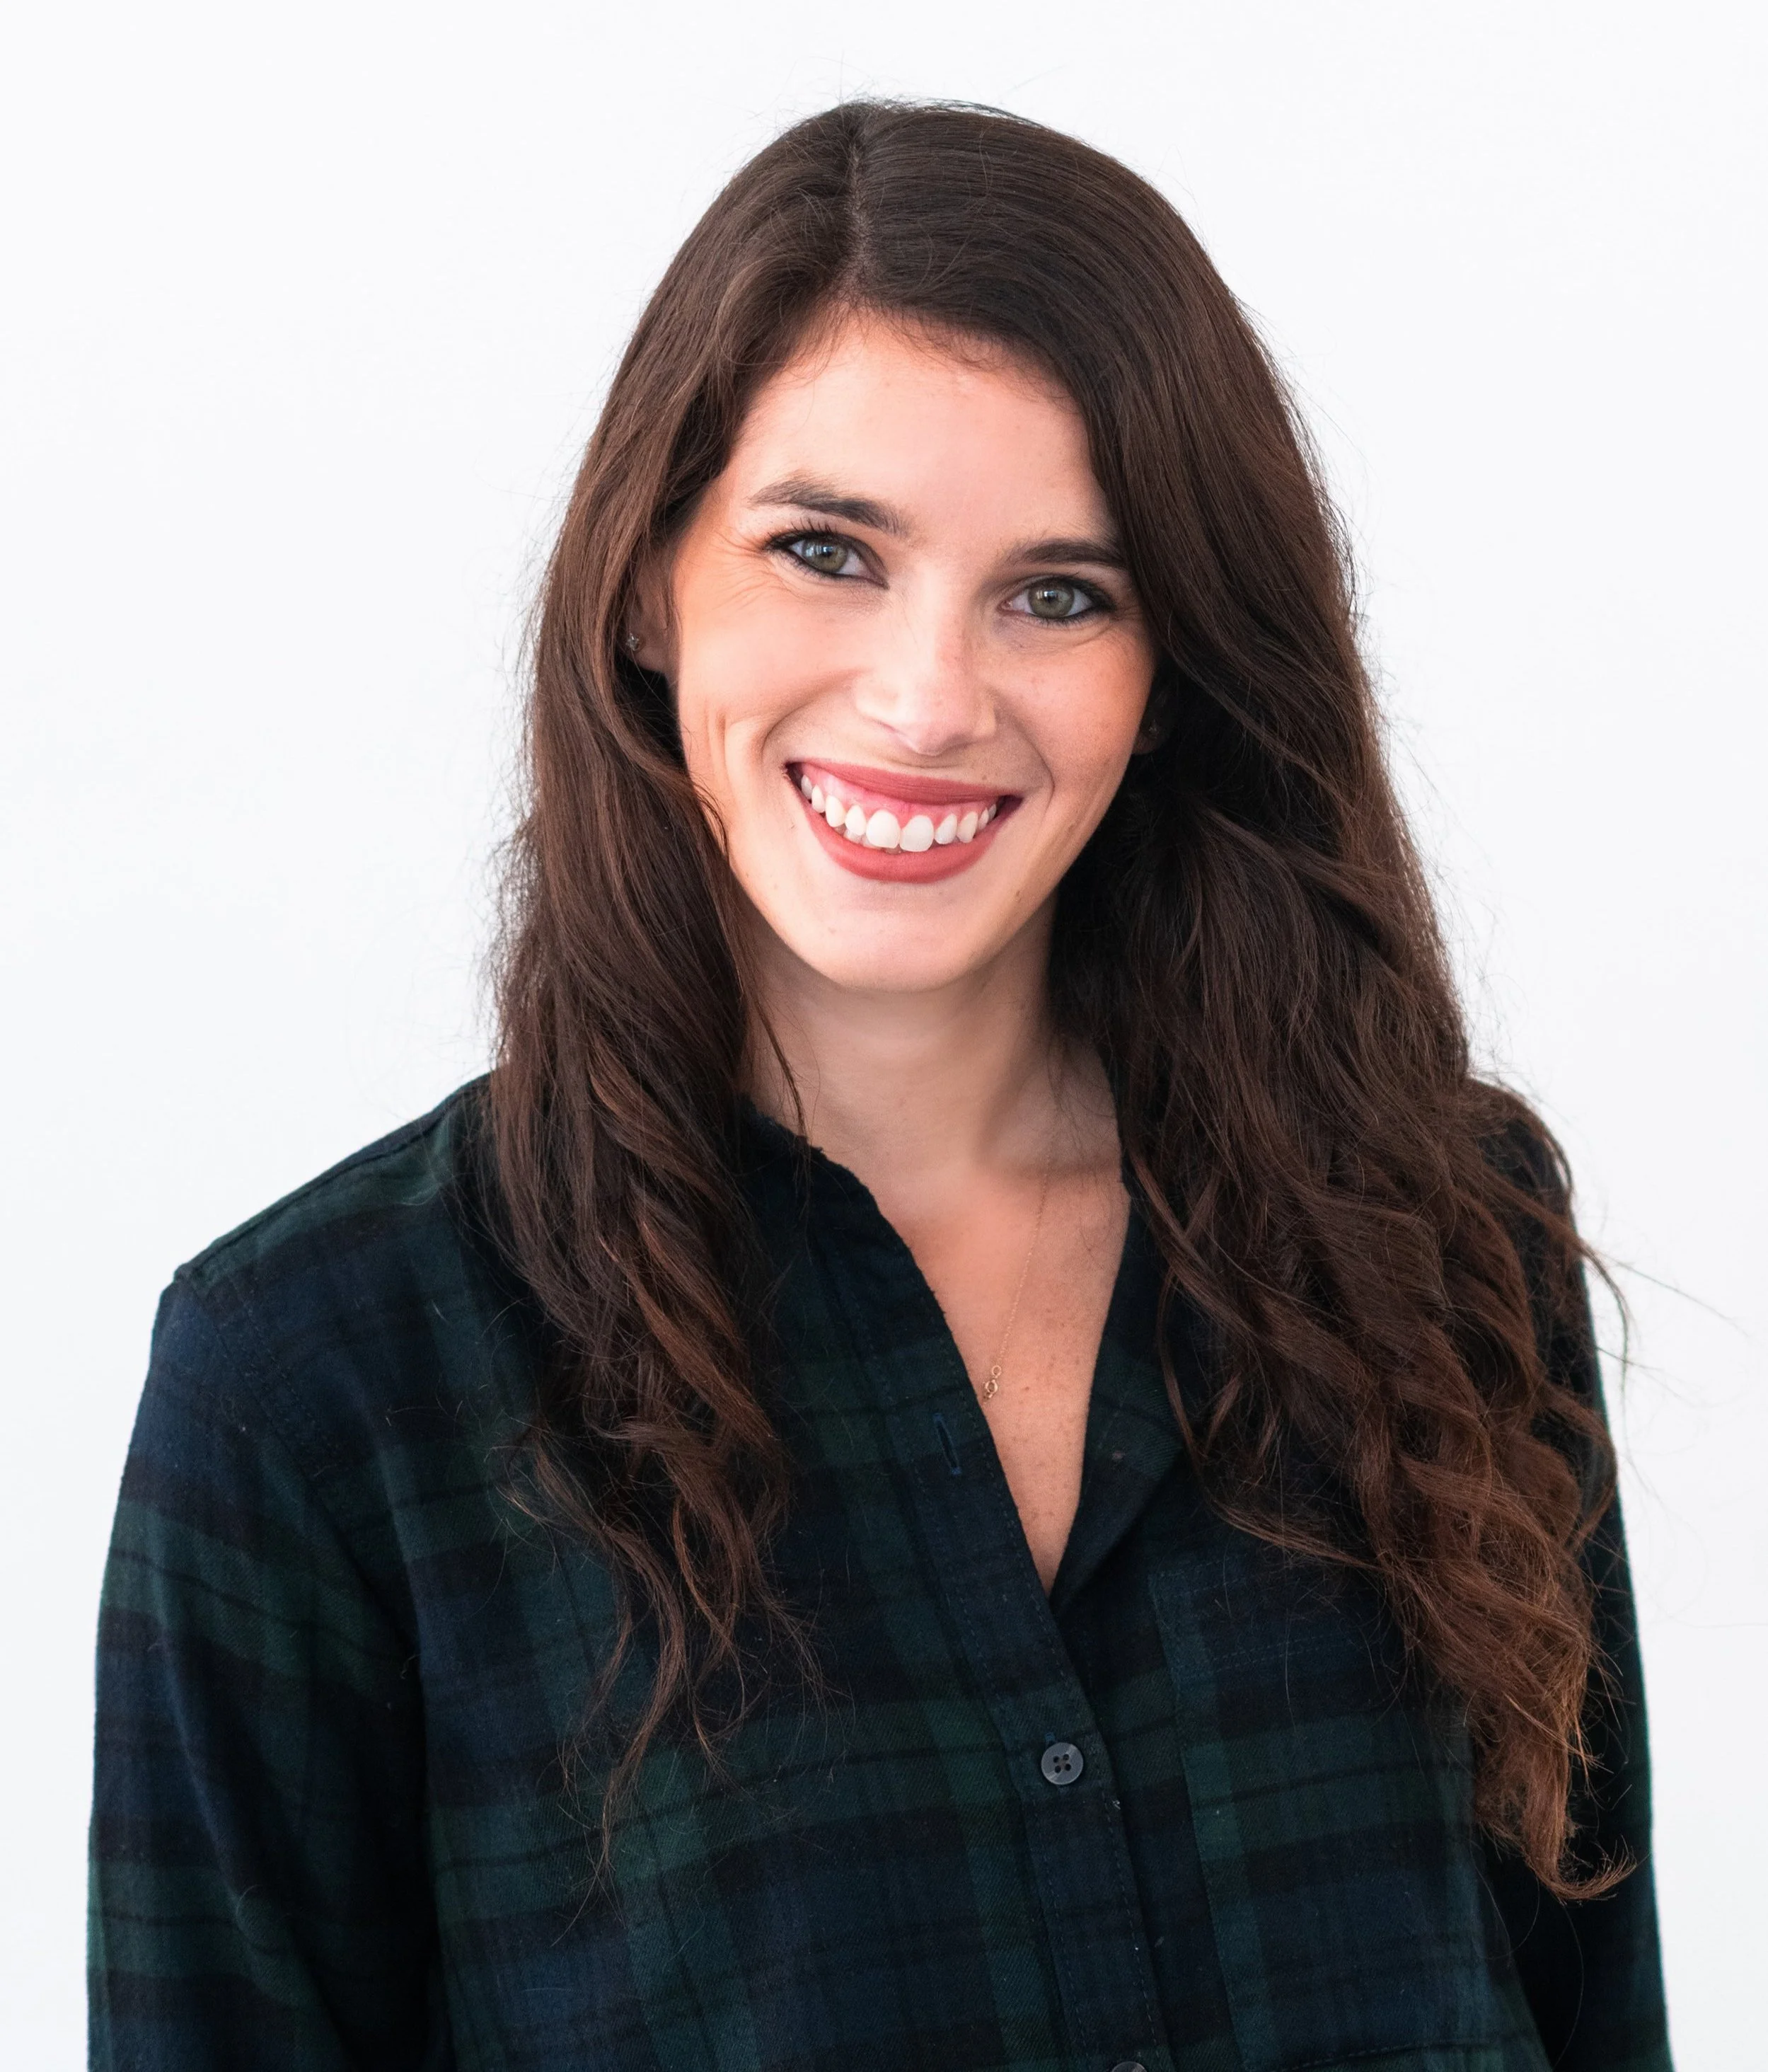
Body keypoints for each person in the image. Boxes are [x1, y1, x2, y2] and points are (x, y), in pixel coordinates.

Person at [88, 100, 1670, 2072]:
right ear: (648, 587)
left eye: (1061, 592)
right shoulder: (320, 1387)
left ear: (1172, 671)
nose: (929, 698)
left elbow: (1598, 2011)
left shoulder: (1438, 1237)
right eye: (827, 552)